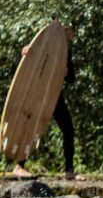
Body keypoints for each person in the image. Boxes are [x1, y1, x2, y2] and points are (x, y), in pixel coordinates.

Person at [12, 24, 77, 180]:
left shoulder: (65, 51)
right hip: (36, 95)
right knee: (29, 128)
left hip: (54, 96)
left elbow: (72, 78)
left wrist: (67, 72)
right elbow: (17, 69)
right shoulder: (40, 45)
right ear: (65, 30)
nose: (73, 34)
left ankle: (69, 170)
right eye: (71, 30)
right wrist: (23, 54)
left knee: (68, 130)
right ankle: (19, 166)